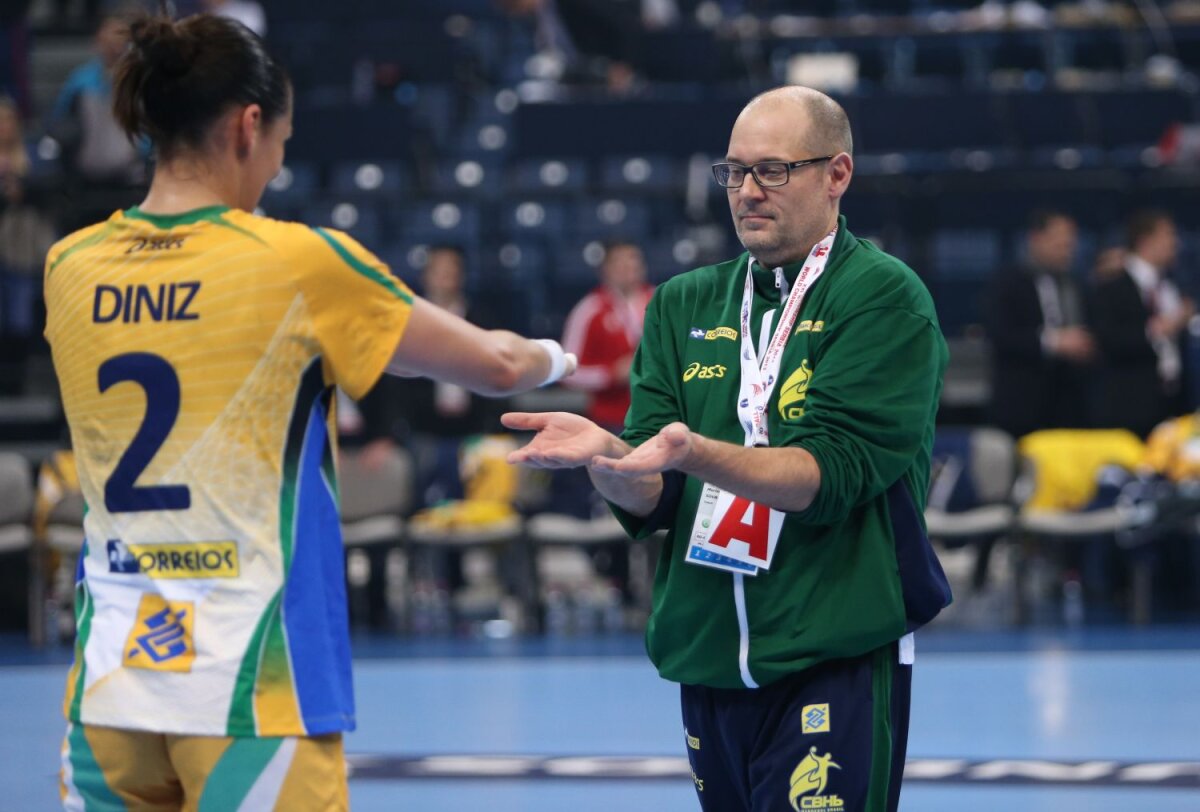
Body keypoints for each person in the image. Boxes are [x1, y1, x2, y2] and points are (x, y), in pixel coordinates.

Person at [45, 12, 574, 811]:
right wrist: (556, 356)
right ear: (248, 125)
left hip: (110, 691)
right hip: (250, 686)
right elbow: (497, 366)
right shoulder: (296, 262)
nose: (278, 163)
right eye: (283, 143)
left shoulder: (68, 266)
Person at [505, 85, 950, 812]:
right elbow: (655, 498)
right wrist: (607, 457)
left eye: (772, 171)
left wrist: (691, 450)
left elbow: (827, 475)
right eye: (734, 171)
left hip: (832, 646)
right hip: (708, 654)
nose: (746, 192)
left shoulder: (882, 297)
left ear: (837, 174)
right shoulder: (683, 304)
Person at [983, 209, 1095, 438]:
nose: (1066, 250)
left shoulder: (1075, 284)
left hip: (1067, 407)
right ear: (1036, 239)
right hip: (1020, 407)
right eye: (1059, 243)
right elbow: (1001, 336)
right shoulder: (1007, 282)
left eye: (1070, 244)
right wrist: (1055, 342)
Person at [1091, 209, 1193, 438]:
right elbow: (1107, 338)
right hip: (1129, 406)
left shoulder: (1170, 285)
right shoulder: (1112, 284)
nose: (1175, 242)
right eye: (1168, 235)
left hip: (1171, 402)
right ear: (1146, 241)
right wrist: (1155, 330)